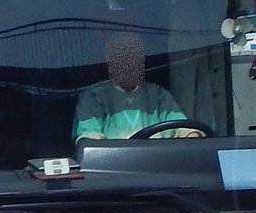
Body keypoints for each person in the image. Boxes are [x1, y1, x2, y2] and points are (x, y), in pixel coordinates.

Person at [73, 34, 201, 142]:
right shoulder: (93, 97)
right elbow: (89, 139)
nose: (129, 63)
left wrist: (192, 136)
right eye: (122, 57)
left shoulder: (158, 95)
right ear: (109, 60)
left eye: (134, 57)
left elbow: (184, 128)